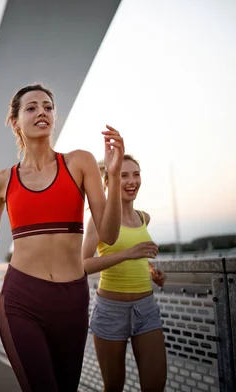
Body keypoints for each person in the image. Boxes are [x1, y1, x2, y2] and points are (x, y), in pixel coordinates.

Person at [0, 83, 125, 392]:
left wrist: (116, 175)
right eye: (31, 107)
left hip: (73, 300)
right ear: (14, 122)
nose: (42, 111)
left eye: (48, 106)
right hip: (21, 299)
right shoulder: (1, 180)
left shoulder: (79, 163)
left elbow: (109, 233)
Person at [82, 155, 167, 392]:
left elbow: (138, 257)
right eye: (123, 175)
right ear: (108, 181)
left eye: (136, 174)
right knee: (114, 387)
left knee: (156, 385)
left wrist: (153, 272)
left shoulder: (143, 217)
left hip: (146, 309)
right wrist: (127, 254)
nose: (132, 181)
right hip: (111, 311)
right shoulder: (98, 220)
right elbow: (84, 265)